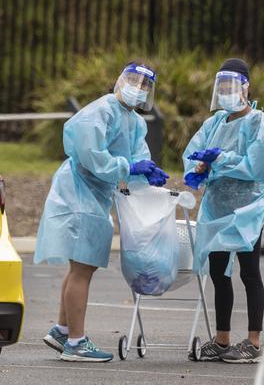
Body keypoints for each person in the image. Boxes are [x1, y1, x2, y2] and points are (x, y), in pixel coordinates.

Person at [35, 62, 169, 363]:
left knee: (81, 267)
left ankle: (62, 330)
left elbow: (136, 156)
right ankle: (75, 342)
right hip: (78, 192)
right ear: (119, 81)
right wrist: (129, 168)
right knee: (82, 267)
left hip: (92, 194)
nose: (138, 88)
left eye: (145, 85)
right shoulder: (103, 109)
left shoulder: (133, 120)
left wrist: (146, 173)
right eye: (133, 80)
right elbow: (91, 154)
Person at [183, 58, 264, 363]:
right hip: (216, 208)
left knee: (250, 273)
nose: (227, 91)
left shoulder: (259, 123)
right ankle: (222, 340)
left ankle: (253, 342)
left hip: (247, 210)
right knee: (218, 273)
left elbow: (257, 165)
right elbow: (192, 153)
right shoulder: (213, 123)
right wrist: (199, 167)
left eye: (232, 85)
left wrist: (221, 160)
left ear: (245, 87)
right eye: (222, 86)